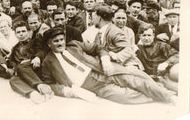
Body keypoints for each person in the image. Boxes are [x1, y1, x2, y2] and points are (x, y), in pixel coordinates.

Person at [41, 27, 176, 104]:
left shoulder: (74, 45)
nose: (60, 43)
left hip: (104, 70)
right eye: (56, 41)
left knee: (135, 81)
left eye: (61, 39)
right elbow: (49, 82)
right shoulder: (48, 61)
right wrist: (65, 91)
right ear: (49, 44)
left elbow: (97, 47)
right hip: (89, 85)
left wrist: (105, 59)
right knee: (125, 97)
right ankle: (158, 93)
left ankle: (169, 97)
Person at [136, 24, 179, 92]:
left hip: (164, 76)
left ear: (153, 36)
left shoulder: (161, 45)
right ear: (140, 36)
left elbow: (177, 55)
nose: (146, 38)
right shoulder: (137, 48)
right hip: (147, 79)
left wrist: (166, 63)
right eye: (144, 35)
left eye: (149, 35)